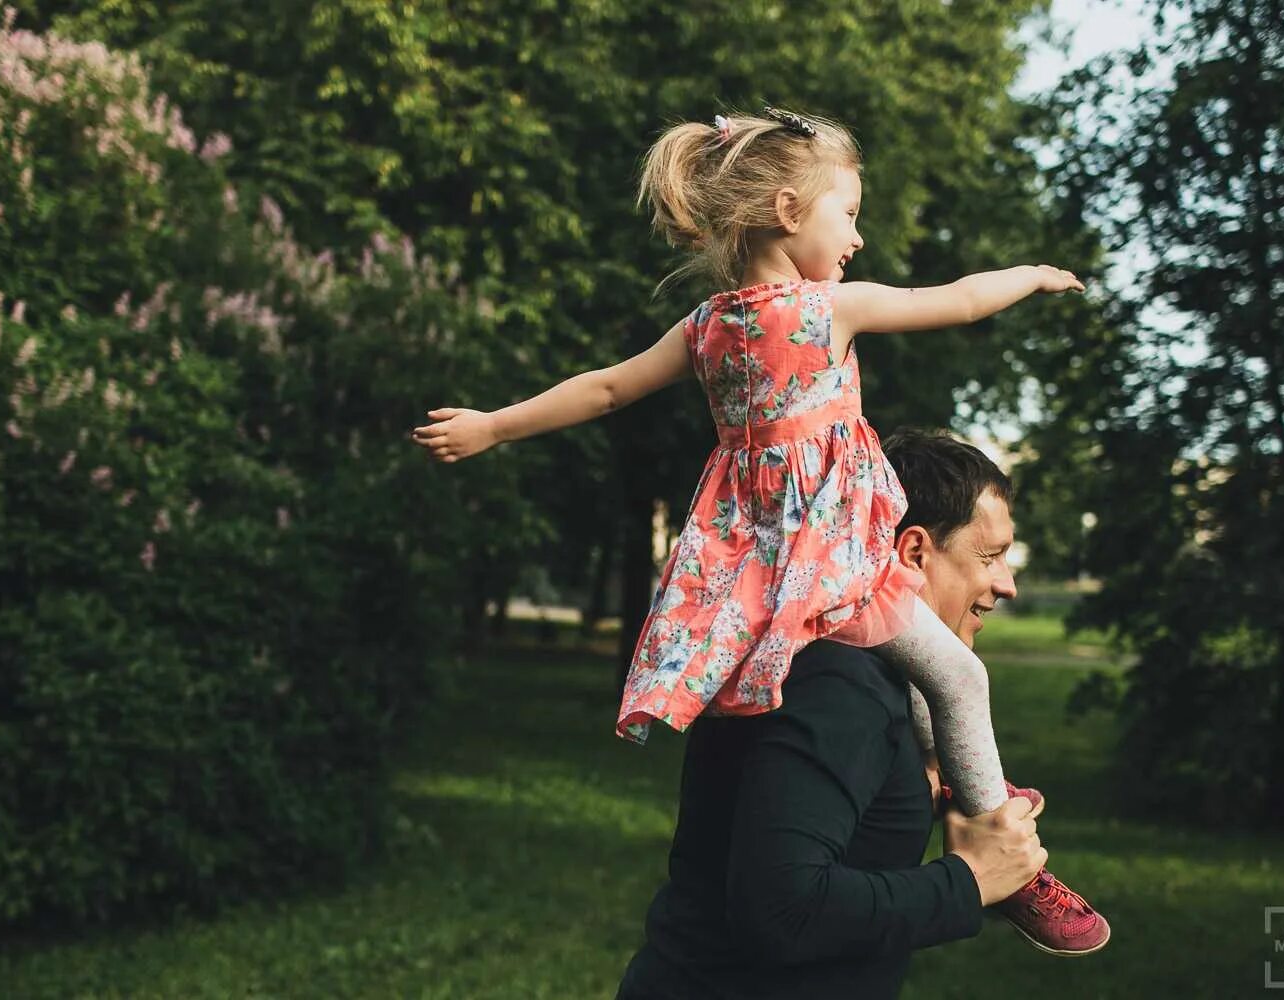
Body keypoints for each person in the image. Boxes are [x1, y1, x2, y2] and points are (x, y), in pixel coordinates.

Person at [411, 107, 1106, 954]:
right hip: (838, 559)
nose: (856, 236)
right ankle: (1005, 853)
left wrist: (493, 426)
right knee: (959, 676)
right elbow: (957, 302)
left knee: (923, 679)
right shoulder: (828, 312)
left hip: (756, 573)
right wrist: (1030, 274)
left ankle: (952, 785)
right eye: (846, 213)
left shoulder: (707, 327)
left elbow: (602, 390)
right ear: (787, 210)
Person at [614, 428, 1095, 998]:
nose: (1007, 585)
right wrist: (971, 881)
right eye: (989, 556)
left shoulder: (869, 676)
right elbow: (781, 909)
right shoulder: (838, 684)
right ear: (913, 552)